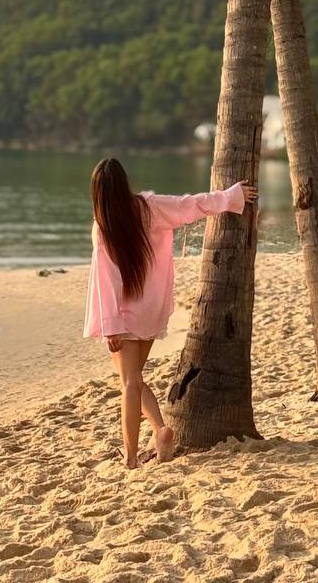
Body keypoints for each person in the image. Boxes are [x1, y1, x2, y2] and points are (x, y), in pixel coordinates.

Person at [84, 157, 257, 469]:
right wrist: (230, 197)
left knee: (129, 384)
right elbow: (189, 205)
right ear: (124, 184)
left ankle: (131, 457)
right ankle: (161, 429)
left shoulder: (103, 227)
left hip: (123, 314)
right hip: (150, 310)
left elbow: (106, 279)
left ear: (98, 193)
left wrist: (110, 325)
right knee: (133, 379)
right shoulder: (149, 207)